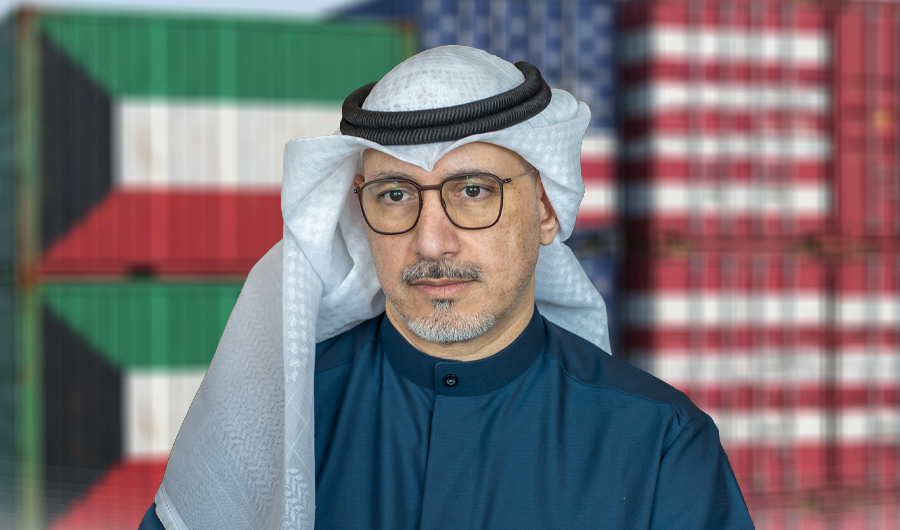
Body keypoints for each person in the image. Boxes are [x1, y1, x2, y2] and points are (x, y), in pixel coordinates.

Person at [140, 46, 754, 529]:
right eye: (395, 195)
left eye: (474, 191)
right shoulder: (273, 422)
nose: (432, 243)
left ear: (545, 210)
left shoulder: (660, 445)